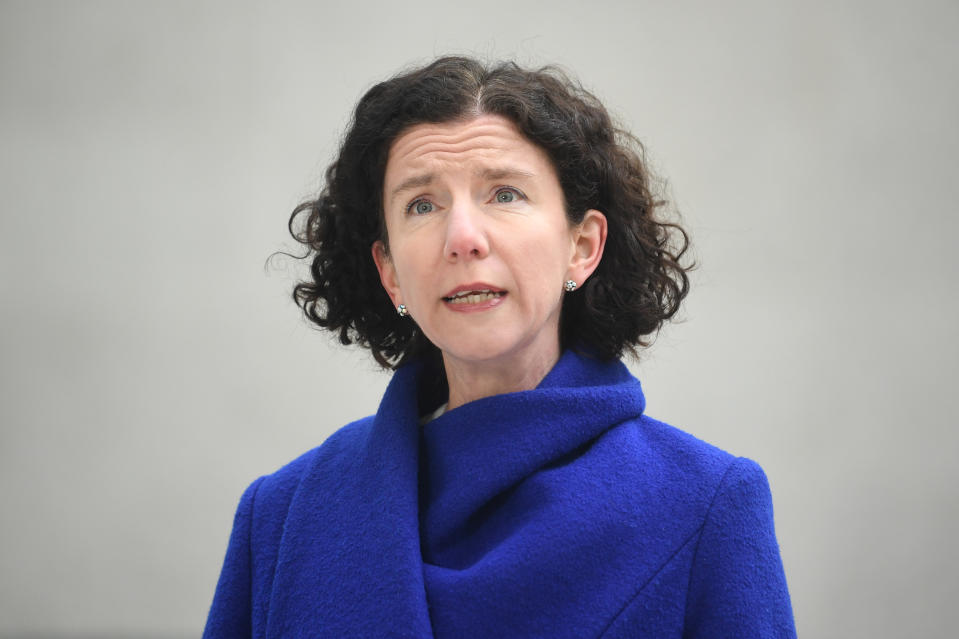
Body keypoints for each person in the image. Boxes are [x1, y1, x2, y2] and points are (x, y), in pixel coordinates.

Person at [203, 56, 796, 638]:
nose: (462, 237)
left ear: (582, 246)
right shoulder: (281, 518)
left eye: (504, 194)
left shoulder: (706, 505)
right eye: (422, 205)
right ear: (390, 274)